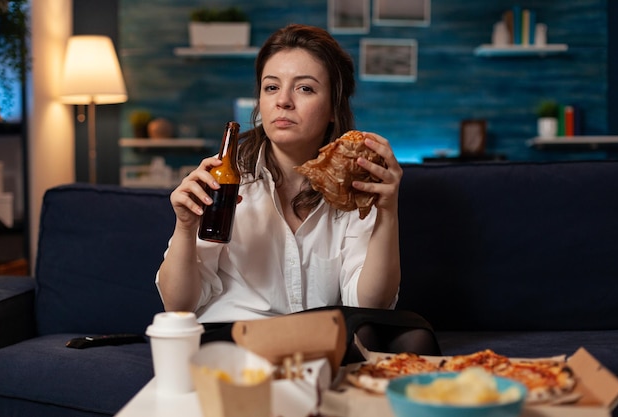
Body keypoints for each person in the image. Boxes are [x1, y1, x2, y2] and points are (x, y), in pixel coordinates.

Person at [156, 24, 439, 360]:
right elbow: (179, 306)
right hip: (234, 339)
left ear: (334, 108)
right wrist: (186, 227)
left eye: (305, 88)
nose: (283, 102)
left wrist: (387, 211)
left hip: (319, 339)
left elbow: (370, 304)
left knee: (406, 332)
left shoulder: (358, 185)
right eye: (271, 87)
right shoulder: (226, 179)